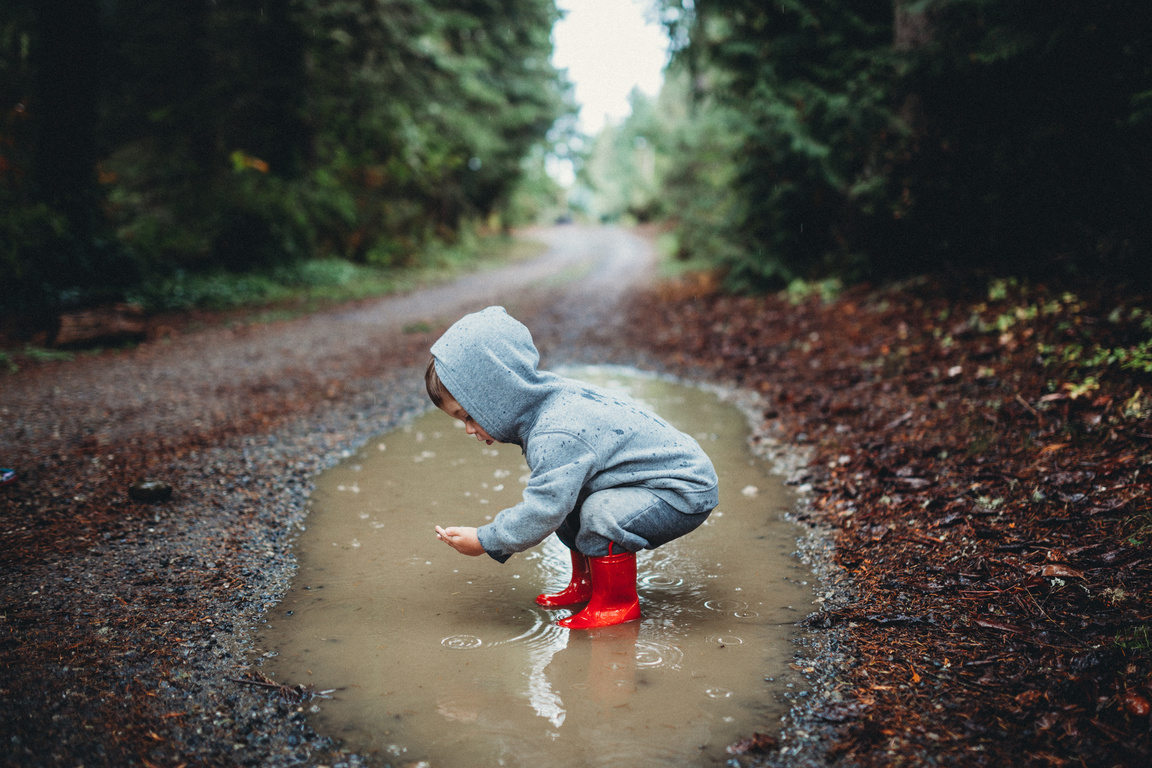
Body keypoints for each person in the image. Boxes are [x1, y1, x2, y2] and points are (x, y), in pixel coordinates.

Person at [426, 306, 718, 629]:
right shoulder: (543, 404)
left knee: (597, 512)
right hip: (650, 481)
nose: (468, 429)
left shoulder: (554, 431)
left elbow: (543, 511)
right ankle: (587, 585)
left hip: (683, 487)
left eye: (468, 415)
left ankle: (616, 603)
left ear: (497, 395)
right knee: (571, 498)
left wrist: (485, 540)